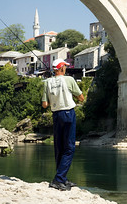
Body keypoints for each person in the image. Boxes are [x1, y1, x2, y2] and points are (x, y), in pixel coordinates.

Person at [42, 58, 84, 191]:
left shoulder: (47, 82)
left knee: (59, 146)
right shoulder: (69, 80)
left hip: (56, 115)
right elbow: (81, 97)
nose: (66, 68)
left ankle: (63, 178)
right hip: (68, 114)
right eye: (65, 67)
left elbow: (45, 104)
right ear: (61, 68)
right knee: (69, 148)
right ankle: (59, 179)